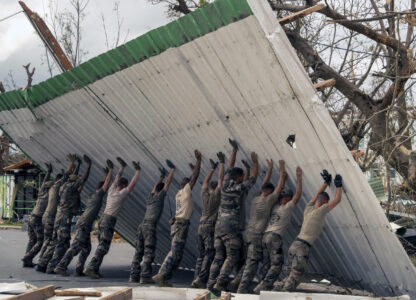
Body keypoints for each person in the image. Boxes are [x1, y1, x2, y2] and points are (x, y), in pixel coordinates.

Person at [273, 170, 343, 291]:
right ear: (325, 203)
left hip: (294, 245)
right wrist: (339, 186)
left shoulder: (308, 208)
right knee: (296, 276)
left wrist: (326, 183)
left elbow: (317, 195)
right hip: (302, 247)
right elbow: (337, 200)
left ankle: (275, 291)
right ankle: (283, 295)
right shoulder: (321, 210)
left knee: (289, 274)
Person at [207, 141, 258, 297]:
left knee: (218, 256)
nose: (243, 179)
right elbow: (253, 179)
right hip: (231, 228)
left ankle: (211, 282)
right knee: (232, 256)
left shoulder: (225, 185)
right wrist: (255, 164)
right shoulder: (238, 188)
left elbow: (230, 168)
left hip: (219, 227)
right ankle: (220, 283)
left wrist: (234, 151)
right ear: (238, 178)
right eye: (242, 176)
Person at [54, 160, 114, 276]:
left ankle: (78, 269)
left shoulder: (92, 195)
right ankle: (61, 266)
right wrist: (110, 171)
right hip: (85, 223)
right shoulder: (98, 195)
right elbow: (105, 184)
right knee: (76, 247)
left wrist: (106, 175)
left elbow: (102, 184)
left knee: (86, 248)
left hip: (83, 222)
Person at [236, 159, 288, 293]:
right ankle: (241, 288)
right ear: (269, 192)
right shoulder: (268, 200)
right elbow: (279, 187)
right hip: (256, 234)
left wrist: (270, 169)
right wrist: (282, 170)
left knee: (250, 258)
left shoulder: (256, 197)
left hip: (247, 233)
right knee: (252, 263)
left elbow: (264, 184)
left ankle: (236, 280)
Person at [84, 158, 141, 279]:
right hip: (109, 221)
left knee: (101, 245)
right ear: (124, 186)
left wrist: (121, 168)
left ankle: (94, 269)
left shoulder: (111, 191)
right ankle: (90, 267)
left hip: (102, 219)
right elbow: (133, 183)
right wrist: (137, 171)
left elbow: (115, 179)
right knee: (103, 247)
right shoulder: (121, 194)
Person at [152, 150, 202, 287]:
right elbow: (194, 177)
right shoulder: (186, 191)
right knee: (174, 252)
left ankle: (164, 277)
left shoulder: (179, 193)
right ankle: (161, 274)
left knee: (178, 254)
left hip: (178, 223)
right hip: (182, 225)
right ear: (187, 185)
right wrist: (198, 161)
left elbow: (191, 178)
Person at [254, 165, 303, 293]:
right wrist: (299, 178)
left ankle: (262, 284)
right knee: (276, 264)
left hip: (265, 236)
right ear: (287, 198)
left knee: (266, 263)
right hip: (274, 237)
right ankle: (264, 285)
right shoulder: (287, 207)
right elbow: (297, 195)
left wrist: (283, 178)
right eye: (289, 197)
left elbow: (277, 191)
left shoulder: (274, 206)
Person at [129, 160, 176, 284]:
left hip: (141, 226)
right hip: (150, 226)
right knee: (149, 252)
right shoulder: (160, 197)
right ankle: (144, 276)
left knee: (138, 251)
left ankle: (133, 275)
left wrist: (161, 176)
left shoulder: (150, 197)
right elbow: (167, 185)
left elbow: (156, 187)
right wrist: (172, 171)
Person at [45, 155, 92, 273]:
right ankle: (53, 266)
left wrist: (78, 165)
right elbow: (84, 179)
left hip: (58, 216)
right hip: (64, 217)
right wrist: (88, 166)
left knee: (57, 241)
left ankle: (44, 263)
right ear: (74, 181)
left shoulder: (63, 185)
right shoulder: (71, 187)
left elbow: (71, 177)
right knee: (61, 243)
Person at [36, 155, 76, 272]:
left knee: (49, 241)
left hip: (47, 217)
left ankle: (42, 263)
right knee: (56, 242)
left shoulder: (53, 187)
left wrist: (49, 171)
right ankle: (48, 265)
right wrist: (72, 163)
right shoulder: (59, 185)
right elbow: (68, 175)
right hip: (52, 218)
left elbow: (67, 176)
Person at [191, 153, 225, 288]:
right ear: (215, 188)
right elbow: (221, 179)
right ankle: (200, 279)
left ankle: (196, 278)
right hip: (210, 226)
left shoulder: (204, 194)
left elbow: (205, 182)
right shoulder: (216, 196)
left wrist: (212, 169)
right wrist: (222, 163)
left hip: (200, 226)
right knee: (209, 254)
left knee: (200, 255)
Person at [22, 163, 54, 267]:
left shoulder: (41, 192)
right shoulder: (49, 195)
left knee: (32, 240)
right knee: (40, 241)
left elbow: (45, 182)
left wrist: (48, 172)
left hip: (31, 217)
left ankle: (27, 261)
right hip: (37, 219)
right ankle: (28, 257)